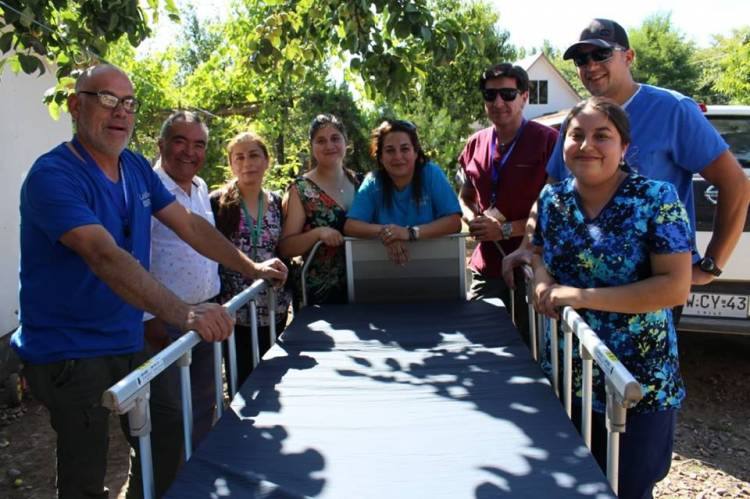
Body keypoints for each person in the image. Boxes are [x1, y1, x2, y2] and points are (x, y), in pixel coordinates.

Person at [11, 64, 287, 499]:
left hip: (128, 338)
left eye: (128, 103)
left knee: (169, 432)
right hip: (72, 351)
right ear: (74, 105)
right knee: (85, 473)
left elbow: (192, 227)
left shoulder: (135, 168)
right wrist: (185, 312)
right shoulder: (53, 176)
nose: (120, 111)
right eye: (106, 99)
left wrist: (250, 267)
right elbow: (104, 256)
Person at [503, 18, 750, 302]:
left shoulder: (673, 110)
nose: (590, 65)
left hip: (646, 294)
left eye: (601, 54)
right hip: (575, 288)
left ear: (629, 57)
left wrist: (711, 265)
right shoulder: (579, 120)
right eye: (581, 59)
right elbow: (552, 190)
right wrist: (527, 246)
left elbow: (736, 185)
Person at [532, 97, 693, 499]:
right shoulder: (552, 201)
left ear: (624, 147)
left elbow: (674, 286)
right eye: (576, 135)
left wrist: (581, 297)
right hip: (569, 374)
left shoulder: (657, 198)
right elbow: (537, 253)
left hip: (639, 381)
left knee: (629, 488)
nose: (587, 145)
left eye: (602, 135)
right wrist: (539, 280)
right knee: (571, 487)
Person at [458, 63, 557, 331]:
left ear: (525, 96)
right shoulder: (475, 143)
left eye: (508, 94)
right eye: (490, 95)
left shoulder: (549, 141)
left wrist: (502, 229)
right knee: (483, 344)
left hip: (532, 268)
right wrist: (473, 220)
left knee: (530, 353)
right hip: (486, 268)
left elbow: (558, 211)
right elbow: (465, 196)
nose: (498, 102)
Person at [144, 110, 220, 448]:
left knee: (205, 402)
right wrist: (150, 320)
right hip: (166, 321)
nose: (190, 151)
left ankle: (199, 476)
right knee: (169, 415)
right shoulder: (146, 188)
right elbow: (133, 256)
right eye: (180, 141)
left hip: (206, 313)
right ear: (161, 144)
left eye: (199, 144)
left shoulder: (202, 186)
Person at [211, 131, 292, 386]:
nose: (248, 163)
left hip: (273, 308)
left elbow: (284, 246)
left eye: (255, 155)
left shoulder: (278, 202)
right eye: (240, 157)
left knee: (274, 381)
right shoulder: (217, 203)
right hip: (235, 312)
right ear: (231, 164)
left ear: (267, 161)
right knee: (242, 382)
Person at [344, 119, 461, 265]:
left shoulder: (431, 173)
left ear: (416, 152)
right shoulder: (373, 182)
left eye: (405, 149)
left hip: (435, 266)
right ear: (380, 157)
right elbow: (351, 226)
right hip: (384, 271)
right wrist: (388, 233)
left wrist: (410, 233)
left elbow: (454, 222)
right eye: (390, 150)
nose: (398, 157)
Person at [279, 114, 360, 305]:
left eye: (335, 138)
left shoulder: (362, 183)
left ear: (345, 141)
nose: (329, 145)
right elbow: (286, 247)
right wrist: (318, 233)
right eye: (321, 141)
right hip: (318, 296)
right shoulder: (301, 189)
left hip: (362, 284)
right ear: (312, 147)